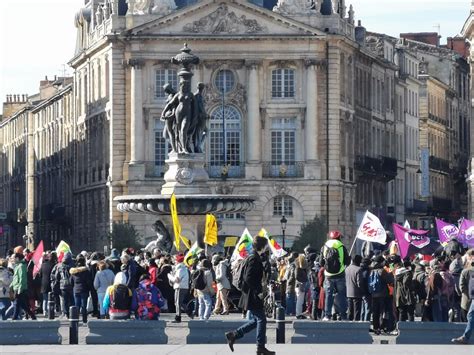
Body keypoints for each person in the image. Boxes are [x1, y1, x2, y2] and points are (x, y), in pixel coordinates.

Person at [225, 236, 275, 355]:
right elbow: (248, 278)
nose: (267, 248)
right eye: (266, 245)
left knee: (256, 320)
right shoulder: (254, 259)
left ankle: (234, 335)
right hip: (253, 295)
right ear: (262, 246)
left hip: (250, 294)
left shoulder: (253, 256)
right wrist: (258, 292)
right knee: (261, 320)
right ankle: (260, 347)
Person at [321, 230, 350, 320]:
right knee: (342, 295)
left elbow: (321, 261)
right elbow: (347, 261)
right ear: (339, 237)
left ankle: (327, 315)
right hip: (340, 274)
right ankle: (343, 315)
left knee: (328, 295)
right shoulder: (341, 246)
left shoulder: (325, 246)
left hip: (328, 275)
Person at [452, 249, 474, 344]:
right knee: (470, 315)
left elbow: (462, 286)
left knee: (470, 315)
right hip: (472, 297)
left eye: (469, 257)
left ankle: (466, 337)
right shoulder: (469, 269)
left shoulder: (467, 270)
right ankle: (466, 337)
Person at [369, 255, 393, 334]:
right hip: (382, 294)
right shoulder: (382, 271)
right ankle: (381, 327)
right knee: (382, 311)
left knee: (375, 311)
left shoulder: (371, 270)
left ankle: (376, 327)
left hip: (373, 294)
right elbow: (389, 281)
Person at [11, 253, 36, 320]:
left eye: (13, 258)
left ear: (17, 258)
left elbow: (22, 278)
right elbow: (15, 278)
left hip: (19, 288)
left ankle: (14, 317)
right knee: (22, 305)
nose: (12, 259)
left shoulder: (21, 266)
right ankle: (32, 316)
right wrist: (11, 286)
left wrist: (20, 289)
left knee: (17, 303)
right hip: (16, 287)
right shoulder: (17, 266)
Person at [70, 255, 93, 322]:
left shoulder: (74, 272)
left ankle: (76, 319)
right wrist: (89, 289)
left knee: (77, 306)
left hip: (76, 290)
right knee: (84, 306)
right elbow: (89, 282)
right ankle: (84, 319)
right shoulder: (86, 271)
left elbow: (71, 281)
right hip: (84, 290)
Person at [167, 253, 189, 323]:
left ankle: (178, 317)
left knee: (178, 303)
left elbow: (177, 280)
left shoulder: (180, 269)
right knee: (177, 302)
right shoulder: (181, 268)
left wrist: (169, 276)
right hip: (180, 286)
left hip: (180, 287)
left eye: (175, 260)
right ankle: (188, 311)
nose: (174, 261)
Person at [345, 254, 364, 321]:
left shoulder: (347, 269)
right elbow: (359, 283)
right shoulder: (359, 269)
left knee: (350, 310)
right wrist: (363, 291)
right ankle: (356, 324)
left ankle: (349, 324)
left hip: (348, 292)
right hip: (357, 293)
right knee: (357, 311)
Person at [294, 254, 308, 319]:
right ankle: (298, 314)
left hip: (299, 285)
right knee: (300, 301)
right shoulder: (298, 268)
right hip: (300, 285)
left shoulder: (299, 267)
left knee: (300, 300)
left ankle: (299, 313)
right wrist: (302, 282)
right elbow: (296, 276)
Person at [39, 252, 53, 316]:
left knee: (45, 298)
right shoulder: (52, 265)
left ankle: (45, 311)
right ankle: (50, 310)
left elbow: (40, 275)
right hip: (50, 283)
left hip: (43, 283)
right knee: (51, 298)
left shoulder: (42, 265)